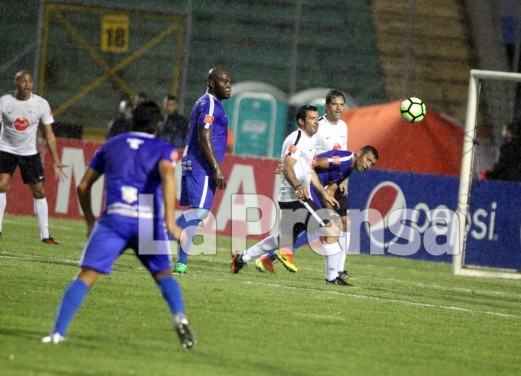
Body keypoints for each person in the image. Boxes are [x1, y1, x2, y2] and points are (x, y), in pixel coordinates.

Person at [41, 101, 197, 349]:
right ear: (158, 125)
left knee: (86, 276)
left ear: (132, 120)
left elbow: (83, 186)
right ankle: (179, 314)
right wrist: (170, 222)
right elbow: (167, 176)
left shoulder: (111, 146)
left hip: (115, 219)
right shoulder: (163, 148)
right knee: (163, 275)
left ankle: (57, 333)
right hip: (147, 222)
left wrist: (91, 219)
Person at [231, 105, 347, 285]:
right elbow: (287, 165)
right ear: (301, 121)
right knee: (331, 228)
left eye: (317, 118)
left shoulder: (309, 140)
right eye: (311, 118)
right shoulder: (299, 138)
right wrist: (298, 185)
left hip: (294, 198)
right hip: (296, 198)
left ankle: (243, 257)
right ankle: (332, 277)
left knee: (282, 238)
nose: (316, 121)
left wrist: (323, 193)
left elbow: (308, 171)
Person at [238, 145, 379, 275]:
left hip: (313, 189)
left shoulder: (348, 168)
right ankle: (333, 276)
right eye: (368, 160)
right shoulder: (343, 160)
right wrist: (290, 169)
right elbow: (313, 164)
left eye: (372, 164)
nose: (368, 165)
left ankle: (246, 256)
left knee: (288, 236)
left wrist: (329, 208)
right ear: (359, 152)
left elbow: (330, 190)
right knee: (327, 227)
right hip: (305, 188)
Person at [173, 67, 232, 274]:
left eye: (229, 82)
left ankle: (181, 262)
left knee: (194, 215)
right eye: (224, 82)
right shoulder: (209, 104)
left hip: (195, 163)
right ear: (211, 83)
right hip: (202, 166)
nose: (228, 86)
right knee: (199, 213)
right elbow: (203, 135)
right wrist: (216, 168)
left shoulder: (207, 103)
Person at [0, 70, 67, 243]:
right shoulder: (4, 101)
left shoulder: (41, 104)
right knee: (1, 185)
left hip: (29, 153)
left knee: (39, 191)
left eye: (30, 81)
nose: (27, 84)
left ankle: (45, 236)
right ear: (16, 83)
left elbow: (49, 134)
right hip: (5, 149)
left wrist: (56, 161)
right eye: (23, 81)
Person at [312, 89, 352, 278]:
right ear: (327, 106)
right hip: (319, 181)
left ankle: (340, 268)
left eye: (341, 104)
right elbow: (307, 151)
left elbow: (345, 155)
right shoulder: (317, 126)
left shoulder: (343, 126)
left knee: (345, 222)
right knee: (328, 225)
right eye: (335, 104)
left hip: (337, 181)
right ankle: (272, 255)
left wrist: (345, 179)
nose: (338, 108)